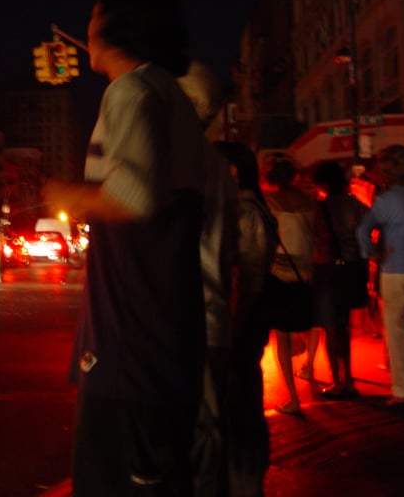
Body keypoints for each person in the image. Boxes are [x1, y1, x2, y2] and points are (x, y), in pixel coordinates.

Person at [42, 0, 207, 495]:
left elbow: (134, 195)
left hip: (130, 341)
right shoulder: (165, 93)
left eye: (94, 12)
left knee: (117, 479)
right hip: (160, 334)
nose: (86, 24)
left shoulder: (132, 91)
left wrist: (67, 194)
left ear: (120, 22)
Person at [178, 62, 238, 497]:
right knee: (208, 435)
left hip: (186, 321)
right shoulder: (217, 165)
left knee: (195, 439)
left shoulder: (180, 160)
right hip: (213, 317)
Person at [212, 141, 279, 497]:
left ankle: (245, 481)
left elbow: (248, 280)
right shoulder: (248, 208)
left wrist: (233, 332)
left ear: (232, 171)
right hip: (242, 326)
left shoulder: (245, 211)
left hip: (241, 326)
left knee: (240, 409)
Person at [357, 144, 404, 406]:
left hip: (396, 269)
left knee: (397, 330)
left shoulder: (387, 201)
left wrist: (373, 254)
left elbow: (364, 231)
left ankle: (401, 390)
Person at [311, 161, 368, 400]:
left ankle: (337, 382)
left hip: (327, 269)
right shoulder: (356, 205)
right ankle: (349, 379)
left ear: (322, 183)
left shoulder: (320, 208)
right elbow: (369, 231)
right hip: (352, 266)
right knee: (343, 326)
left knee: (330, 327)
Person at [264, 158, 317, 416]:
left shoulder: (270, 203)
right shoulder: (310, 201)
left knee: (281, 337)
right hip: (307, 272)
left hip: (279, 274)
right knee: (308, 323)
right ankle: (312, 365)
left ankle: (293, 397)